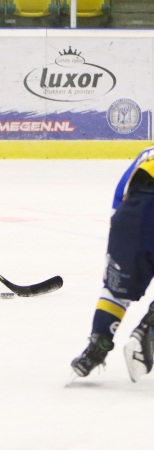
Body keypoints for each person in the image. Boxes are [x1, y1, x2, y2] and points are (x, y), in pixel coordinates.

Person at [71, 146, 154, 382]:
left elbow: (121, 194)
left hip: (129, 217)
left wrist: (123, 237)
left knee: (117, 288)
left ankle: (97, 345)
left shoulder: (148, 152)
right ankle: (147, 331)